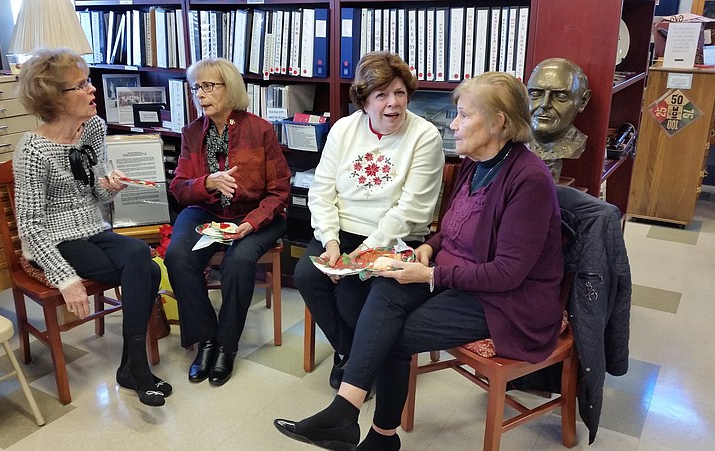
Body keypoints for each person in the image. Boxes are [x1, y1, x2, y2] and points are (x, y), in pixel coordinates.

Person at [274, 71, 564, 450]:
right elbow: (452, 227)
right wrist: (429, 247)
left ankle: (377, 436)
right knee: (385, 285)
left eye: (463, 115)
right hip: (456, 276)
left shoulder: (529, 180)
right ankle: (346, 413)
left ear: (499, 122)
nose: (453, 125)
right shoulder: (476, 163)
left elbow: (507, 273)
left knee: (394, 334)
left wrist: (429, 273)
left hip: (504, 302)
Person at [13, 48, 169, 407]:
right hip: (54, 239)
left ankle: (133, 366)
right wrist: (65, 278)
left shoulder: (94, 128)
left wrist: (109, 186)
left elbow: (95, 192)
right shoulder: (33, 151)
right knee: (142, 266)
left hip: (93, 227)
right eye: (81, 86)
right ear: (55, 98)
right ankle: (136, 368)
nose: (92, 89)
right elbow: (30, 228)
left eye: (88, 82)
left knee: (141, 258)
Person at [292, 51, 444, 390]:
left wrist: (360, 255)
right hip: (343, 230)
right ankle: (350, 352)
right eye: (382, 95)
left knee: (349, 289)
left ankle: (360, 362)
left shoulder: (425, 136)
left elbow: (412, 210)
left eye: (400, 93)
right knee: (307, 275)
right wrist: (331, 241)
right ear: (364, 100)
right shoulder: (344, 129)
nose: (393, 103)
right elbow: (322, 190)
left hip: (395, 238)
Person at [164, 58, 291, 387]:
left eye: (208, 86)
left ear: (229, 88)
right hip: (208, 211)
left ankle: (227, 346)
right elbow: (178, 188)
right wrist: (206, 183)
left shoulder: (260, 129)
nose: (200, 94)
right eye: (196, 88)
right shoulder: (192, 133)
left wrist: (250, 224)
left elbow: (279, 192)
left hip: (258, 213)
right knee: (178, 256)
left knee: (239, 260)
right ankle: (206, 340)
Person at [527, 57, 592, 181]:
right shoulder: (511, 143)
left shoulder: (576, 145)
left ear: (583, 101)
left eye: (560, 97)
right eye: (535, 94)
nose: (544, 104)